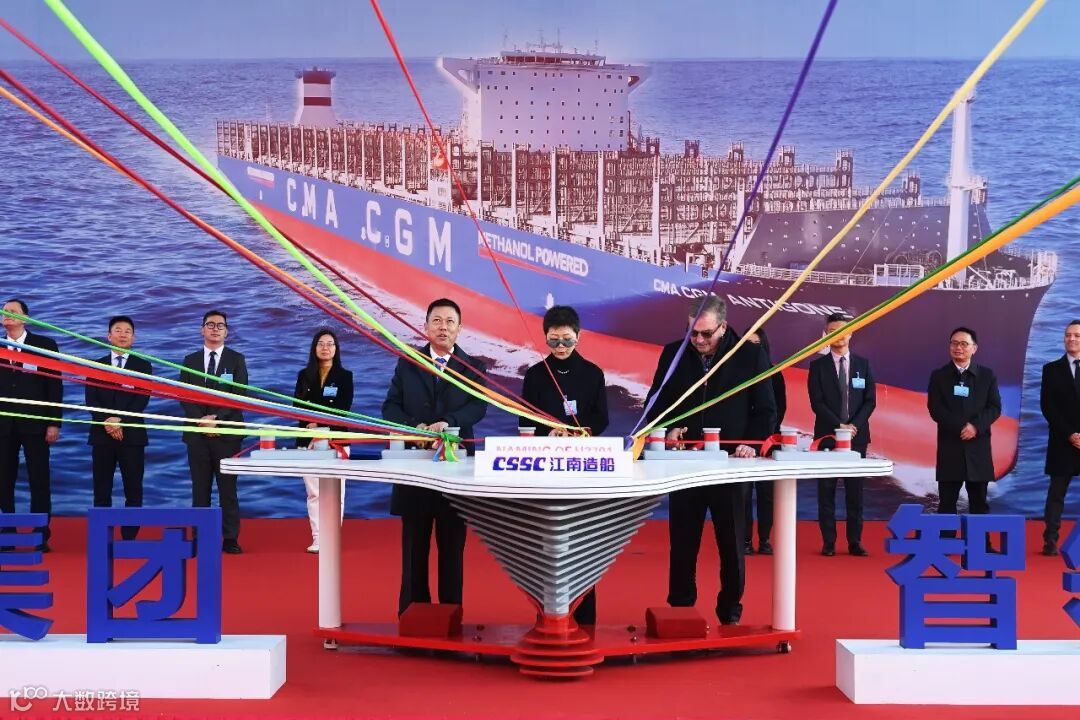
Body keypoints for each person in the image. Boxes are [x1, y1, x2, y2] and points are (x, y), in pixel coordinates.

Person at [644, 295, 776, 626]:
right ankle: (680, 610)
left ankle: (730, 612)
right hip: (684, 466)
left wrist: (750, 444)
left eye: (706, 334)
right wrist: (667, 430)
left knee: (732, 545)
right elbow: (655, 403)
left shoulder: (750, 355)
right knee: (682, 543)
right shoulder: (674, 354)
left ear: (724, 327)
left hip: (729, 468)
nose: (699, 341)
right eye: (693, 333)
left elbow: (766, 410)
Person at [382, 298, 488, 615]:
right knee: (414, 550)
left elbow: (477, 407)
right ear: (426, 326)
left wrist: (449, 423)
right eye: (437, 321)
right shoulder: (408, 362)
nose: (443, 327)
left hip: (455, 470)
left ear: (460, 328)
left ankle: (451, 619)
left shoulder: (474, 367)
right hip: (414, 469)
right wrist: (413, 427)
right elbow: (390, 407)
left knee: (452, 550)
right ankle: (413, 617)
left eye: (450, 321)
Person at [521, 305, 609, 625]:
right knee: (546, 546)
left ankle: (585, 619)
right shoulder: (534, 375)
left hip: (581, 466)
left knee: (583, 544)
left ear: (579, 336)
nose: (560, 347)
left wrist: (578, 432)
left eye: (567, 340)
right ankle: (547, 618)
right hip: (545, 469)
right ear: (545, 337)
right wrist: (548, 433)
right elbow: (525, 420)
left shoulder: (593, 374)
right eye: (554, 340)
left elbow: (602, 418)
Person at [807, 313, 877, 557]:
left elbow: (870, 401)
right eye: (832, 331)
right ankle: (829, 542)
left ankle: (855, 542)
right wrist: (839, 426)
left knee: (855, 493)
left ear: (851, 332)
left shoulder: (863, 365)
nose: (838, 335)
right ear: (826, 335)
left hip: (857, 437)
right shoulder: (817, 367)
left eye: (842, 330)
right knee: (826, 491)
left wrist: (853, 426)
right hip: (827, 436)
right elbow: (817, 403)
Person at [179, 310, 248, 554]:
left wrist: (216, 419)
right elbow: (184, 395)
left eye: (220, 325)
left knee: (228, 489)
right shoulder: (190, 360)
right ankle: (200, 537)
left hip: (227, 434)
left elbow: (239, 395)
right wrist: (201, 420)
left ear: (226, 331)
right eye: (210, 324)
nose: (215, 329)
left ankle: (230, 538)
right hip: (197, 434)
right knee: (200, 489)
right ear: (202, 330)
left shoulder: (236, 359)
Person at [0, 299, 62, 551]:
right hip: (3, 426)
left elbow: (54, 386)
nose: (7, 314)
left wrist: (54, 422)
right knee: (4, 481)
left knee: (39, 479)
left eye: (13, 311)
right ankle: (7, 533)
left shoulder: (44, 346)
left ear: (26, 318)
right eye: (4, 311)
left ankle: (40, 534)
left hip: (36, 424)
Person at [85, 315, 152, 540]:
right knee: (101, 489)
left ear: (133, 338)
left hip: (132, 435)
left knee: (133, 488)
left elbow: (141, 400)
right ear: (109, 336)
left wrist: (120, 420)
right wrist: (108, 421)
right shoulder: (96, 365)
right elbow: (91, 400)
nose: (123, 334)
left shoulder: (143, 366)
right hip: (101, 434)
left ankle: (129, 536)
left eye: (127, 331)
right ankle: (101, 536)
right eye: (118, 330)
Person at [927, 327, 1001, 517]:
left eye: (963, 344)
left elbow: (994, 407)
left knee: (979, 504)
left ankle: (980, 537)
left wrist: (975, 427)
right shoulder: (939, 376)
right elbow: (935, 409)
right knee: (946, 505)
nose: (958, 348)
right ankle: (946, 536)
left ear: (974, 348)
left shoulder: (987, 376)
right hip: (950, 448)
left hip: (978, 448)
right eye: (954, 343)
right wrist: (961, 428)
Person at [293, 329, 354, 553]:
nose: (325, 348)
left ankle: (332, 537)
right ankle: (318, 538)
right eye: (321, 344)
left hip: (336, 440)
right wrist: (311, 426)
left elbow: (343, 408)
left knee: (335, 492)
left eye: (330, 344)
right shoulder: (304, 375)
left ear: (336, 349)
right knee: (314, 493)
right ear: (314, 348)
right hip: (308, 440)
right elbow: (297, 406)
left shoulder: (345, 376)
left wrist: (320, 425)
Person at [743, 327, 786, 556]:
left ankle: (765, 539)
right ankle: (745, 539)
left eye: (755, 344)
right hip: (741, 446)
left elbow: (779, 409)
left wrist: (763, 437)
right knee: (743, 494)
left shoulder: (774, 374)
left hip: (768, 443)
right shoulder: (737, 373)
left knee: (766, 495)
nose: (751, 349)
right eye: (746, 344)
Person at [1038, 320, 1080, 556]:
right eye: (1068, 335)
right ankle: (1050, 540)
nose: (1071, 339)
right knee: (1056, 494)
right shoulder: (1051, 369)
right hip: (1062, 441)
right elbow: (1048, 407)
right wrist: (1070, 434)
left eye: (1077, 335)